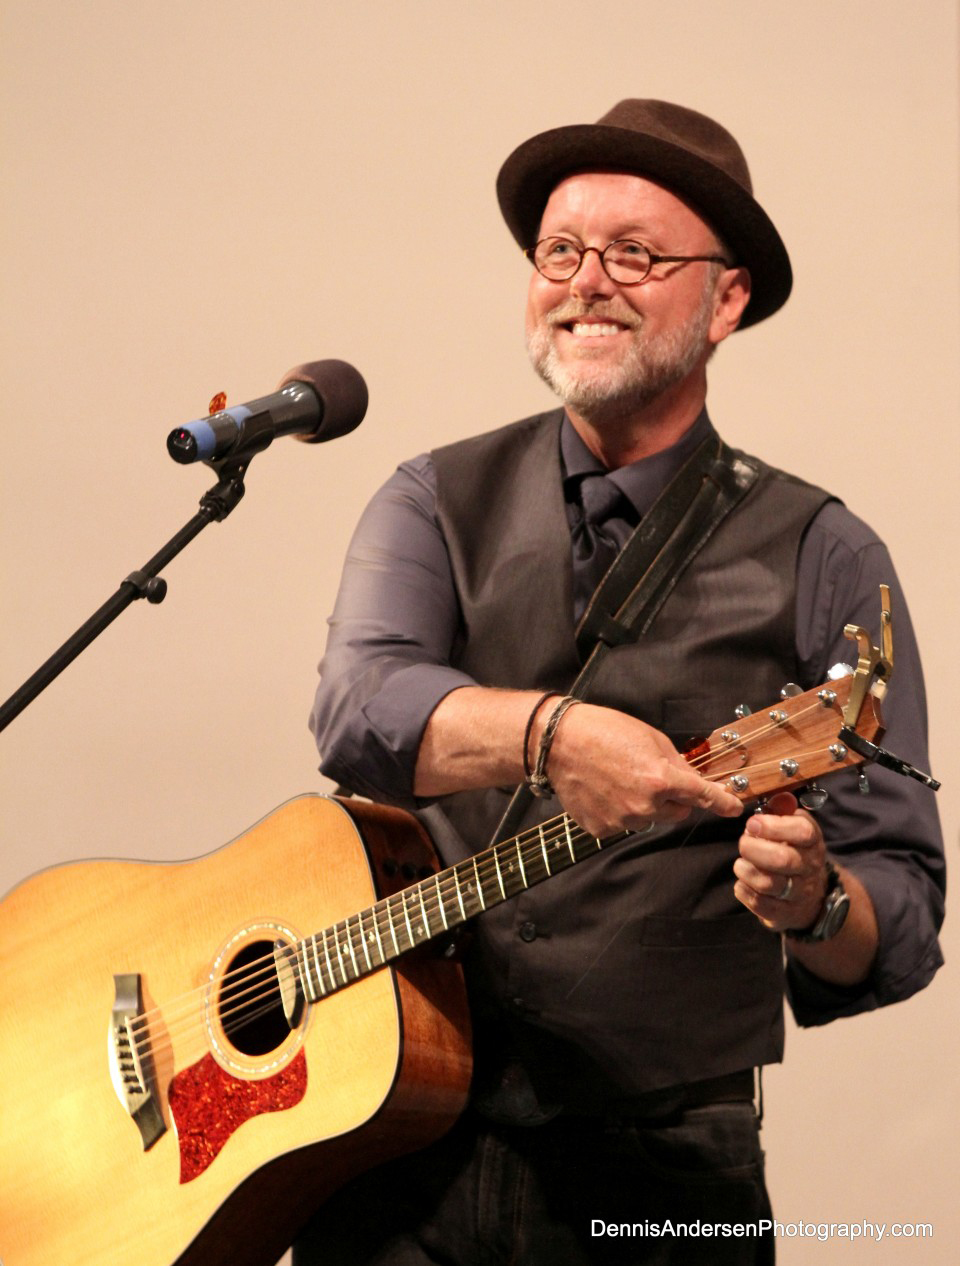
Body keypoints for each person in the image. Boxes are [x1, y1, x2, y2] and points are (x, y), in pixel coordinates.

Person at [296, 100, 944, 1265]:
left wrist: (814, 901)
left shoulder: (826, 553)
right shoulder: (429, 498)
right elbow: (357, 707)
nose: (587, 281)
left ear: (726, 300)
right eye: (560, 251)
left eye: (635, 254)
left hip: (660, 1175)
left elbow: (896, 910)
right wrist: (553, 736)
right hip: (386, 1138)